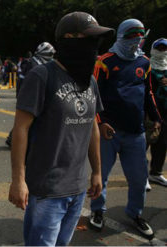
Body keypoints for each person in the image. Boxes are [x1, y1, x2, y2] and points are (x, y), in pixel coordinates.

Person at [8, 12, 114, 246]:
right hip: (47, 191)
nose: (93, 46)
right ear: (68, 38)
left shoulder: (90, 80)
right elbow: (20, 130)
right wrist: (18, 180)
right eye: (89, 38)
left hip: (77, 188)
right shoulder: (42, 76)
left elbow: (93, 127)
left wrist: (97, 172)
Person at [90, 19, 161, 240]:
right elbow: (94, 95)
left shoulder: (145, 62)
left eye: (140, 36)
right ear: (121, 35)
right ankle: (97, 210)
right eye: (131, 35)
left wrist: (156, 117)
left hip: (136, 133)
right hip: (109, 132)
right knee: (101, 175)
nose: (136, 40)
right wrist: (101, 122)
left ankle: (135, 213)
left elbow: (148, 92)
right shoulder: (105, 62)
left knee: (139, 178)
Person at [147, 38, 167, 188]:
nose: (162, 52)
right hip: (150, 110)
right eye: (159, 48)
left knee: (162, 143)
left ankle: (155, 173)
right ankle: (142, 176)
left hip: (165, 111)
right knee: (145, 142)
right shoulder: (147, 66)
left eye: (164, 49)